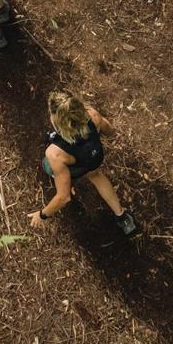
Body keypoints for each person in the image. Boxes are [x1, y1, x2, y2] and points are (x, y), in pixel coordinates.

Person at [28, 91, 139, 236]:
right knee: (96, 175)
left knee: (47, 166)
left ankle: (64, 179)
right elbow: (109, 130)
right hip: (94, 158)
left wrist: (42, 215)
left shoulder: (55, 153)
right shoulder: (91, 114)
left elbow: (64, 197)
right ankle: (123, 217)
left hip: (77, 166)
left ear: (55, 118)